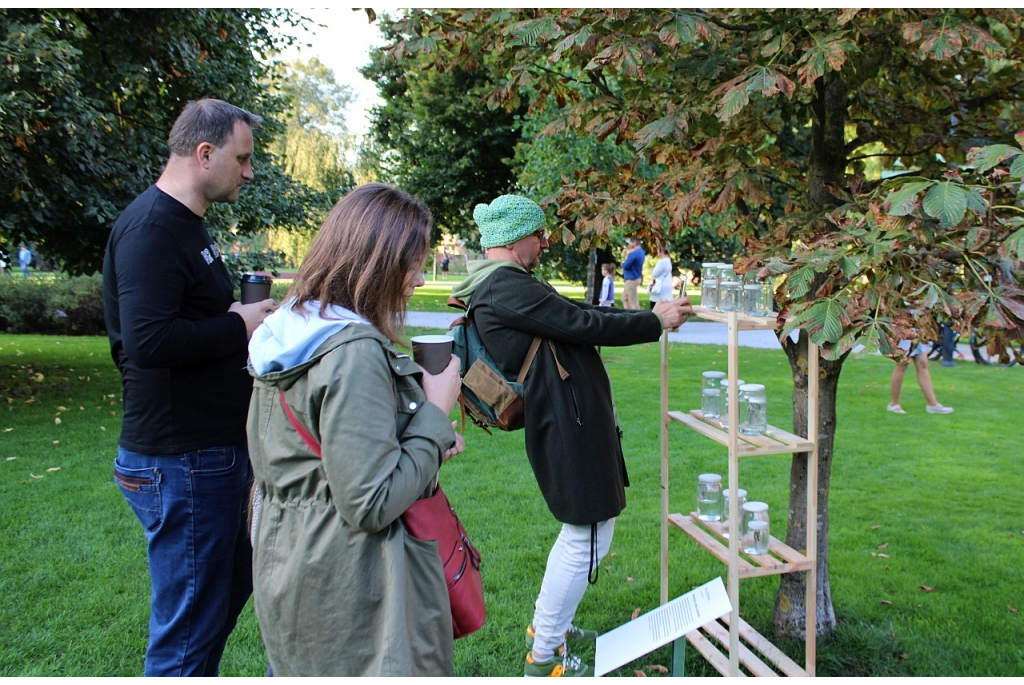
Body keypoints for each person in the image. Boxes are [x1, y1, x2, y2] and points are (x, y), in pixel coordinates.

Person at [451, 195, 693, 677]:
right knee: (587, 535)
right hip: (566, 424)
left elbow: (576, 312)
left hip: (570, 420)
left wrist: (648, 315)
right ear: (516, 238)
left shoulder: (510, 283)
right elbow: (582, 322)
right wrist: (654, 321)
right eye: (538, 234)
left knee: (588, 531)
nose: (544, 242)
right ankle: (544, 654)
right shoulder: (504, 286)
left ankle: (549, 633)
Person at [246, 183, 465, 676]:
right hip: (357, 586)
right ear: (377, 260)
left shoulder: (289, 331)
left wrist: (424, 442)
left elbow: (324, 460)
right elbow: (370, 502)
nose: (416, 277)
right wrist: (436, 412)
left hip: (298, 567)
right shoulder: (352, 351)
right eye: (411, 263)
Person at [102, 98, 274, 676]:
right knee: (185, 637)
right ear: (205, 154)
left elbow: (179, 320)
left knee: (214, 607)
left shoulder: (186, 225)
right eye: (242, 158)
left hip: (207, 455)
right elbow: (146, 343)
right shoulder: (151, 229)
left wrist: (234, 319)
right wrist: (237, 325)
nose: (249, 172)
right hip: (181, 460)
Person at [888, 339, 954, 414]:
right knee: (902, 364)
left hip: (917, 331)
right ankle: (894, 404)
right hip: (904, 332)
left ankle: (932, 405)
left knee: (923, 364)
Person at [621, 238, 645, 309]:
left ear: (634, 243)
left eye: (630, 243)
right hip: (634, 277)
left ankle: (636, 317)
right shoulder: (641, 252)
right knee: (625, 298)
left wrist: (622, 264)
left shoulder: (634, 254)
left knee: (633, 301)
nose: (629, 244)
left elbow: (626, 265)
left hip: (632, 279)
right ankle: (628, 314)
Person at [648, 245, 673, 310]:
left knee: (655, 308)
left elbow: (655, 274)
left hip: (660, 289)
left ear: (662, 251)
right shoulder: (668, 260)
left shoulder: (662, 262)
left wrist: (652, 270)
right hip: (666, 286)